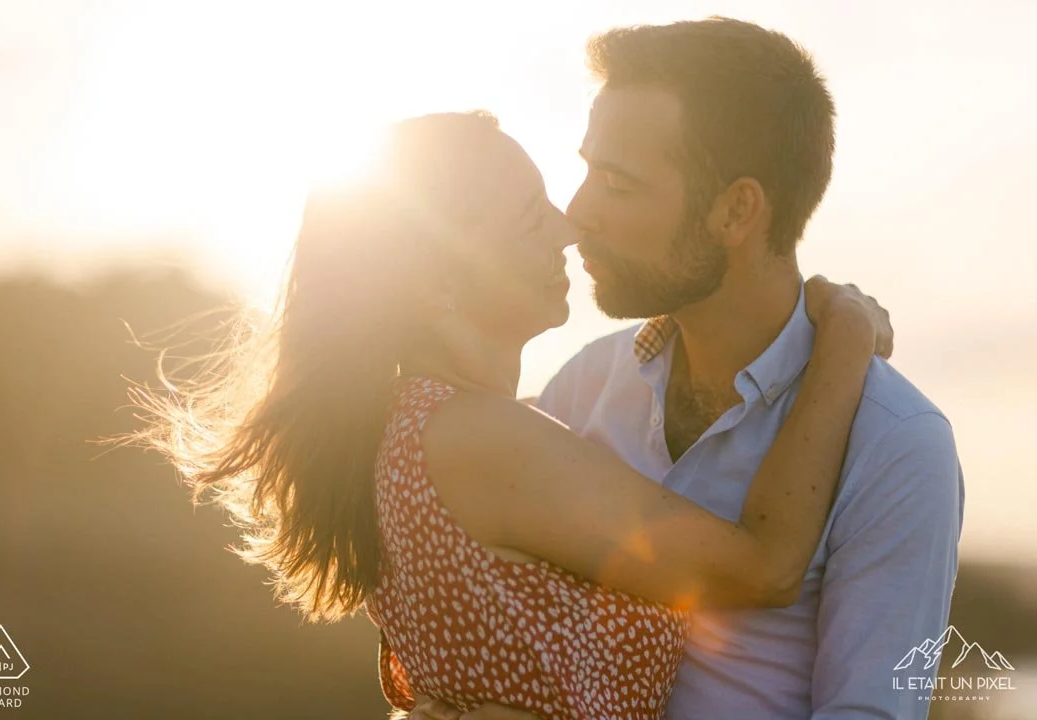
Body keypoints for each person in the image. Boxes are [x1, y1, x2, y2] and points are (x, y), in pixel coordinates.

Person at [129, 107, 892, 720]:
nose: (568, 227)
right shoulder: (475, 438)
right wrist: (845, 340)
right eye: (531, 217)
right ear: (439, 289)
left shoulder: (421, 430)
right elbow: (762, 569)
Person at [410, 17, 964, 720]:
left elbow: (871, 711)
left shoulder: (897, 442)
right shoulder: (584, 388)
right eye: (587, 170)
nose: (578, 214)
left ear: (736, 210)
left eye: (617, 182)